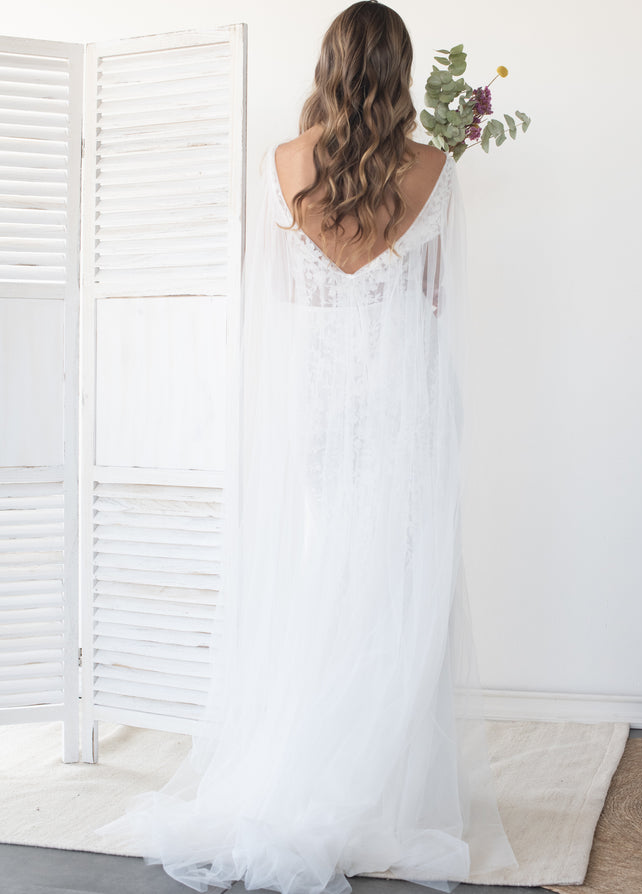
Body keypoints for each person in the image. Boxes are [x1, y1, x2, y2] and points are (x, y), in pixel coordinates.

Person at [96, 3, 518, 892]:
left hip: (323, 398)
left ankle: (312, 765)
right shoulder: (436, 169)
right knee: (399, 587)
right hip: (401, 398)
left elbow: (283, 299)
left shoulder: (283, 166)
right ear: (400, 72)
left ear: (328, 66)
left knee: (327, 578)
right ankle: (388, 786)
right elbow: (436, 302)